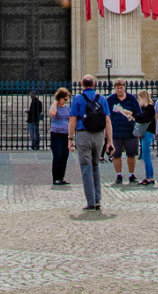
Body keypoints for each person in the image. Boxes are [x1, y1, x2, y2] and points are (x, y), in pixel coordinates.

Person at [69, 75, 114, 211]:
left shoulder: (77, 98)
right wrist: (110, 141)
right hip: (99, 136)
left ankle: (91, 202)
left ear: (82, 84)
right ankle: (98, 199)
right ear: (94, 84)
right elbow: (107, 121)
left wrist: (70, 138)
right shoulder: (102, 99)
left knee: (86, 167)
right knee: (96, 166)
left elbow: (72, 119)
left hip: (84, 135)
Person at [105, 79, 142, 186]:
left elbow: (138, 113)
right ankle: (119, 175)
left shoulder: (132, 98)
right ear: (115, 88)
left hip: (130, 131)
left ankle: (131, 174)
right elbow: (106, 115)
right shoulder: (111, 99)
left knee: (131, 154)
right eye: (117, 88)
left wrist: (130, 114)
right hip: (115, 131)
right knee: (116, 155)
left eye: (121, 88)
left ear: (124, 87)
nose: (119, 90)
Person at [48, 87, 73, 185]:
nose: (66, 101)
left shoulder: (67, 107)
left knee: (64, 156)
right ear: (60, 98)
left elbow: (70, 119)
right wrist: (55, 103)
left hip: (65, 134)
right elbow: (52, 113)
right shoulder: (54, 106)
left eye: (67, 99)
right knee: (57, 155)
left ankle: (61, 177)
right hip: (56, 134)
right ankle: (55, 178)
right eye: (65, 99)